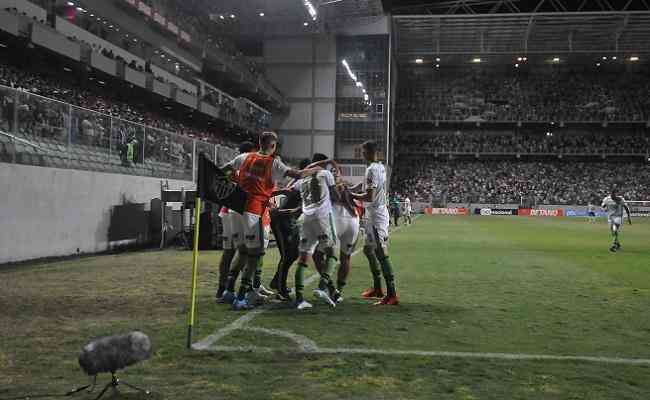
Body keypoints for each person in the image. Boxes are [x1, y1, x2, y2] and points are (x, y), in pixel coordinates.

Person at [221, 131, 321, 310]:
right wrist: (317, 169)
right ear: (273, 146)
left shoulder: (244, 157)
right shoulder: (273, 162)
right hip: (253, 211)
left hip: (236, 210)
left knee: (242, 251)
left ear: (259, 142)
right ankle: (242, 297)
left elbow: (224, 170)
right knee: (255, 254)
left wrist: (232, 181)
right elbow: (297, 174)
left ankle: (229, 291)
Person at [289, 153, 341, 310]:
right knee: (332, 253)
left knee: (303, 258)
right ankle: (322, 286)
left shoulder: (302, 179)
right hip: (323, 216)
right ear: (323, 164)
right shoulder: (325, 174)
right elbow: (336, 196)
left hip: (306, 218)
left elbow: (290, 187)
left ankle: (299, 299)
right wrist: (337, 181)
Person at [351, 141, 399, 305]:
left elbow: (369, 196)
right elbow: (366, 185)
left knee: (381, 252)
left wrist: (351, 196)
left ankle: (392, 294)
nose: (361, 155)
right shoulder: (379, 167)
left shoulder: (372, 169)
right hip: (373, 214)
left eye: (363, 152)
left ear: (370, 152)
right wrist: (352, 189)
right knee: (368, 250)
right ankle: (378, 288)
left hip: (377, 215)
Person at [216, 142, 256, 303]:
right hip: (241, 212)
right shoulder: (249, 165)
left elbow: (219, 179)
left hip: (227, 211)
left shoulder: (233, 166)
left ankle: (222, 288)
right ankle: (237, 289)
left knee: (229, 252)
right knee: (247, 251)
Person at [268, 158, 311, 302]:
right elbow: (287, 194)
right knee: (288, 255)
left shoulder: (305, 183)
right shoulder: (301, 183)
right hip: (281, 220)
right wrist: (285, 209)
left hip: (288, 220)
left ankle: (277, 282)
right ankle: (280, 290)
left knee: (292, 254)